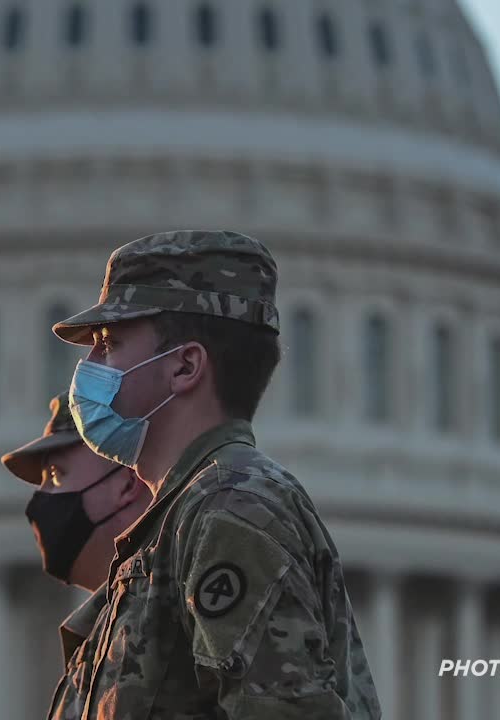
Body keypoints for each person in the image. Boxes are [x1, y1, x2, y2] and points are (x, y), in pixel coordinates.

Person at [47, 229, 383, 719]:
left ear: (184, 367)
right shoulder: (180, 521)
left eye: (110, 342)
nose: (89, 364)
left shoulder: (230, 511)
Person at [1, 391, 153, 720]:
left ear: (127, 483)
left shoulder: (169, 613)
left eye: (56, 475)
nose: (38, 501)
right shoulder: (101, 634)